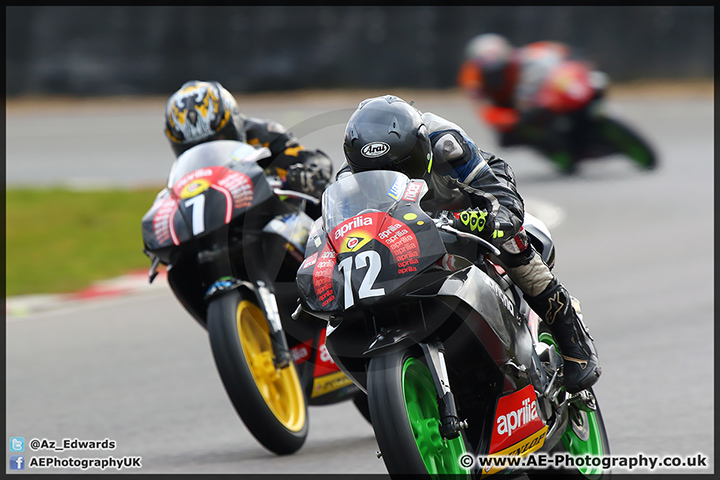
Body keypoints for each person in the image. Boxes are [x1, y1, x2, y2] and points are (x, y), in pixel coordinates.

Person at [339, 94, 601, 394]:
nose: (393, 177)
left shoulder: (446, 143)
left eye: (401, 166)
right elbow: (343, 232)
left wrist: (494, 218)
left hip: (465, 198)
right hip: (411, 223)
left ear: (420, 148)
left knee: (510, 240)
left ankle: (571, 334)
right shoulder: (350, 177)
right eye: (375, 173)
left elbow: (498, 195)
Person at [457, 34, 613, 173]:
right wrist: (510, 119)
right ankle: (556, 150)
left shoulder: (527, 56)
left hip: (543, 95)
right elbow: (484, 108)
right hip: (512, 108)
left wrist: (575, 59)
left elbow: (560, 52)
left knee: (593, 85)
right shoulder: (472, 78)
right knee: (511, 135)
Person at [164, 80, 332, 201]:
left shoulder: (263, 135)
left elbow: (314, 160)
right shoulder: (182, 175)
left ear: (234, 122)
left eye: (218, 139)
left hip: (277, 214)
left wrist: (308, 173)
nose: (207, 151)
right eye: (192, 148)